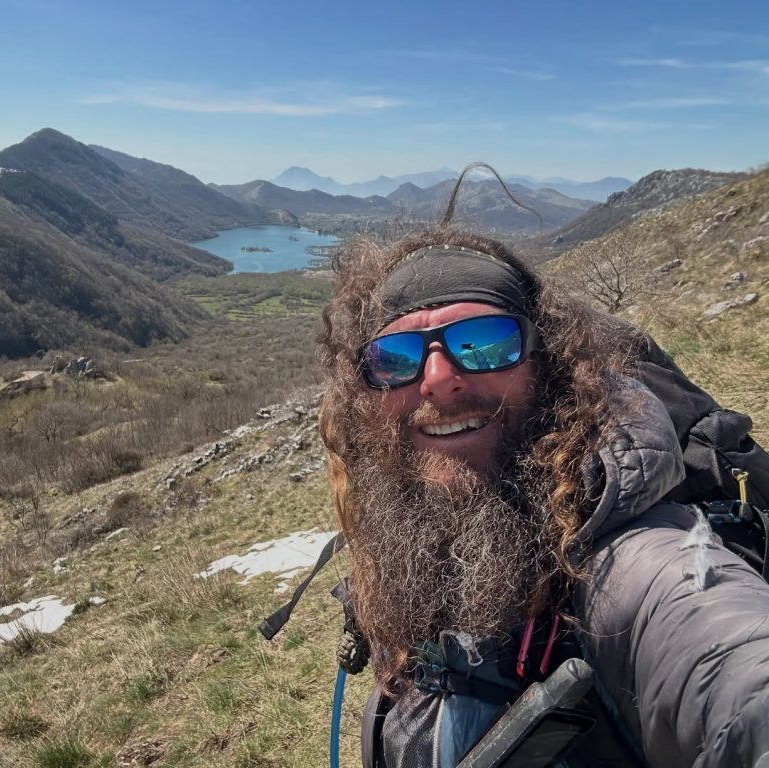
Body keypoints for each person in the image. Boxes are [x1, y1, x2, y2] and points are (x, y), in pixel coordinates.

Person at [316, 223, 769, 767]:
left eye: (485, 342)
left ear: (547, 364)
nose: (436, 378)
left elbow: (729, 670)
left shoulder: (642, 569)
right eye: (395, 357)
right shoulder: (409, 521)